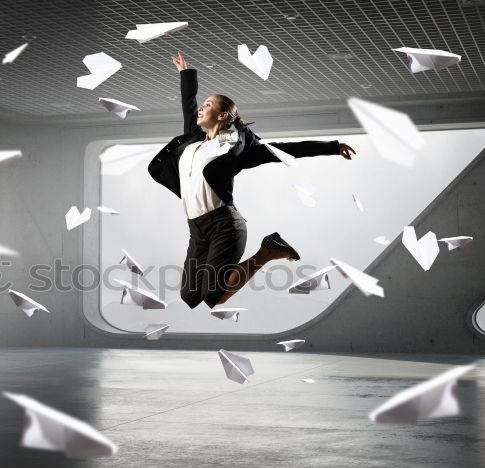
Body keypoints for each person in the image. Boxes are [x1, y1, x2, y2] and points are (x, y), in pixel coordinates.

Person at [148, 52, 356, 309]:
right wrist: (185, 73)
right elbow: (188, 104)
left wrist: (333, 147)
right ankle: (266, 252)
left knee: (213, 296)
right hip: (196, 229)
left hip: (224, 225)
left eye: (210, 104)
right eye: (204, 104)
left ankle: (268, 251)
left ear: (223, 116)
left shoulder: (237, 150)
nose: (202, 108)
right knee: (189, 297)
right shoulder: (193, 141)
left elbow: (285, 149)